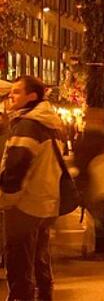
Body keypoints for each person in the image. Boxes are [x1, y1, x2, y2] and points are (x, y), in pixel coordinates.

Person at [0, 76, 65, 300]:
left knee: (19, 263)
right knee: (39, 258)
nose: (11, 95)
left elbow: (16, 167)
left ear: (32, 96)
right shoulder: (51, 124)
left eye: (17, 92)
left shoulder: (27, 125)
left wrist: (7, 200)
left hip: (24, 204)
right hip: (45, 202)